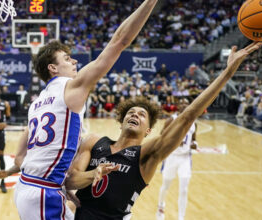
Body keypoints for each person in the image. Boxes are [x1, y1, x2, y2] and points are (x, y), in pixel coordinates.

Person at [65, 42, 262, 219]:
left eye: (141, 115)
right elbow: (72, 180)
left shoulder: (145, 156)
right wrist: (94, 174)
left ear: (149, 130)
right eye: (131, 112)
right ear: (122, 121)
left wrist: (228, 72)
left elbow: (187, 117)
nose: (135, 115)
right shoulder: (94, 141)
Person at [13, 1, 159, 219]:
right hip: (44, 193)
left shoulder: (37, 102)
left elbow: (19, 159)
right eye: (66, 58)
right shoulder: (71, 88)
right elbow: (119, 41)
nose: (74, 61)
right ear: (52, 68)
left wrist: (60, 184)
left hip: (28, 187)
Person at [156, 98, 198, 220]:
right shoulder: (171, 120)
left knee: (184, 189)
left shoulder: (193, 122)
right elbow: (161, 137)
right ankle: (161, 206)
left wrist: (194, 143)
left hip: (185, 158)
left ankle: (181, 217)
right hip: (171, 157)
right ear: (177, 106)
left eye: (186, 103)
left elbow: (194, 138)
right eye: (181, 103)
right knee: (165, 185)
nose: (184, 105)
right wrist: (172, 141)